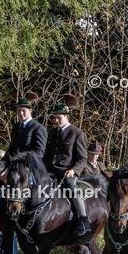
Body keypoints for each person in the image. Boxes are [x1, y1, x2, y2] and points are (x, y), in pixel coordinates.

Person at [43, 95, 91, 236]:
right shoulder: (50, 133)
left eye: (59, 117)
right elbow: (46, 156)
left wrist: (73, 171)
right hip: (49, 172)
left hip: (67, 173)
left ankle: (83, 220)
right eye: (54, 118)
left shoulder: (77, 133)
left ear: (66, 116)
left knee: (72, 189)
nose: (56, 120)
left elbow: (82, 159)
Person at [3, 94, 47, 162]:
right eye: (18, 110)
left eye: (23, 110)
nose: (20, 113)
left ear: (30, 110)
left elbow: (39, 153)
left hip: (29, 165)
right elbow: (11, 148)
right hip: (13, 163)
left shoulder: (38, 128)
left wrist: (19, 157)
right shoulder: (16, 126)